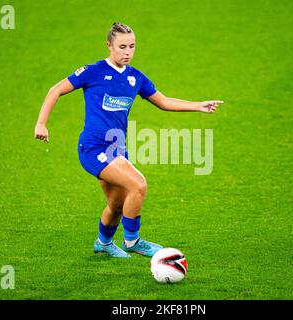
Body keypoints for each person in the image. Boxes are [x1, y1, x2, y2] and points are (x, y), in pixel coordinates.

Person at [34, 22, 223, 258]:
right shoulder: (92, 71)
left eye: (132, 46)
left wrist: (198, 106)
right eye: (122, 46)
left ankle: (103, 243)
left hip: (117, 149)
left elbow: (163, 101)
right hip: (93, 148)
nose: (127, 52)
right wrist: (41, 123)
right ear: (109, 46)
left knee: (117, 205)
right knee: (138, 185)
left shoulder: (136, 77)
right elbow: (55, 90)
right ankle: (132, 240)